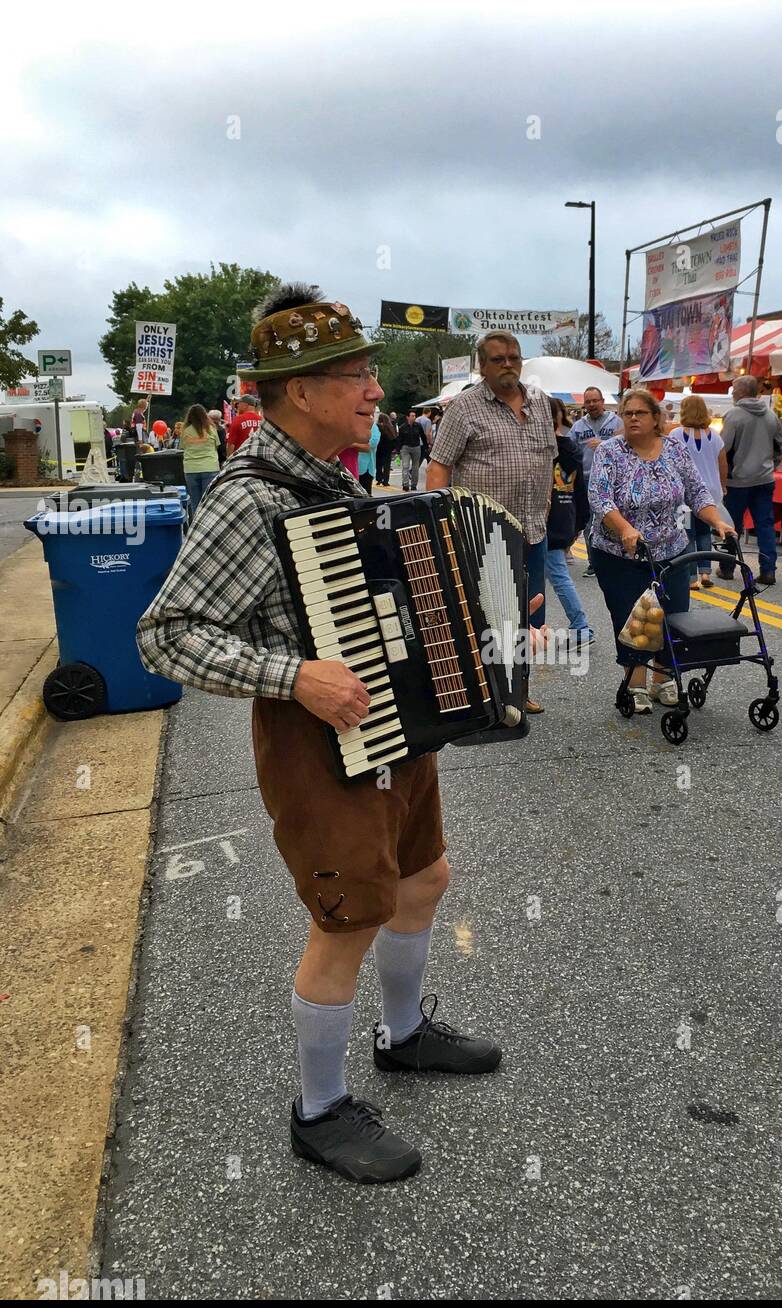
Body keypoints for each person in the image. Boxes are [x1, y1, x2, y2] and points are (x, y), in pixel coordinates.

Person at [137, 281, 501, 1188]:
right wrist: (293, 674)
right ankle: (319, 1110)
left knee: (425, 876)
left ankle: (405, 1035)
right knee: (347, 918)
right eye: (357, 378)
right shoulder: (245, 497)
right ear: (300, 391)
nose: (376, 393)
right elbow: (165, 634)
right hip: (315, 736)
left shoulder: (328, 477)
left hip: (386, 718)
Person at [427, 330, 557, 716]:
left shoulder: (540, 404)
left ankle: (519, 689)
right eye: (498, 359)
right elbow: (439, 466)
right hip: (482, 535)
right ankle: (487, 693)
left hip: (533, 532)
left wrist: (547, 505)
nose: (508, 365)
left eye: (514, 357)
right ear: (481, 366)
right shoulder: (464, 408)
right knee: (487, 613)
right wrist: (441, 521)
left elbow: (548, 460)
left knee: (528, 615)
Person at [588, 388, 733, 712]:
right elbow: (599, 498)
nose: (633, 419)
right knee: (635, 618)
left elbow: (698, 492)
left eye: (640, 413)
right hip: (620, 553)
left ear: (657, 418)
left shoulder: (674, 450)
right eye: (628, 414)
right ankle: (636, 685)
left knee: (671, 614)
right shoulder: (610, 452)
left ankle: (663, 680)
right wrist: (625, 528)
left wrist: (717, 522)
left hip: (671, 549)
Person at [717, 375, 782, 587]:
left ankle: (728, 567)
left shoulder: (734, 416)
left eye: (733, 389)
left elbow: (723, 448)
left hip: (737, 480)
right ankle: (768, 570)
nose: (732, 393)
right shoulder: (771, 415)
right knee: (765, 524)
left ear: (741, 392)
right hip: (764, 479)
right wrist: (771, 464)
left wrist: (725, 473)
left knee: (731, 525)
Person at [545, 396, 593, 645]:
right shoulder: (572, 448)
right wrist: (580, 521)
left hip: (545, 521)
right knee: (550, 574)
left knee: (557, 575)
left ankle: (582, 627)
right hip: (566, 516)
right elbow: (580, 488)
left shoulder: (544, 449)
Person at [670, 396, 727, 590]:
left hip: (684, 494)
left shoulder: (677, 434)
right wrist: (723, 485)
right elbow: (723, 464)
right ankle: (705, 573)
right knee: (704, 532)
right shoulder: (715, 436)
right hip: (710, 492)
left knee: (685, 532)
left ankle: (691, 577)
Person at [569, 388, 623, 576]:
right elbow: (571, 451)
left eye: (595, 401)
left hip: (612, 477)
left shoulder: (616, 422)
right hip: (586, 478)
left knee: (612, 519)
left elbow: (626, 446)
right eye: (588, 401)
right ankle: (593, 562)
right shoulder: (578, 427)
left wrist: (604, 444)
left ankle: (616, 559)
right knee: (589, 522)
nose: (591, 405)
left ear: (602, 401)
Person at [176, 403, 220, 513]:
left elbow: (182, 447)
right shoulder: (211, 429)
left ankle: (195, 525)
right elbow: (217, 445)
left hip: (191, 469)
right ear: (205, 415)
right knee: (209, 502)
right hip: (210, 467)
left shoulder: (185, 431)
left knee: (195, 501)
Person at [396, 410, 425, 490]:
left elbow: (423, 436)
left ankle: (414, 484)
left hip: (416, 447)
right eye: (412, 416)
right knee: (405, 466)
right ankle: (405, 484)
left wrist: (425, 447)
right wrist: (398, 450)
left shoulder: (418, 426)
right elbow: (399, 439)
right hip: (406, 448)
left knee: (415, 467)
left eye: (414, 416)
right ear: (407, 417)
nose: (414, 417)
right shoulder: (402, 427)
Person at [375, 407, 397, 486]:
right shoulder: (390, 427)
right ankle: (386, 480)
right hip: (388, 448)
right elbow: (394, 438)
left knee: (379, 464)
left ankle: (379, 479)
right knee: (387, 465)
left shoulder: (378, 427)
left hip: (379, 448)